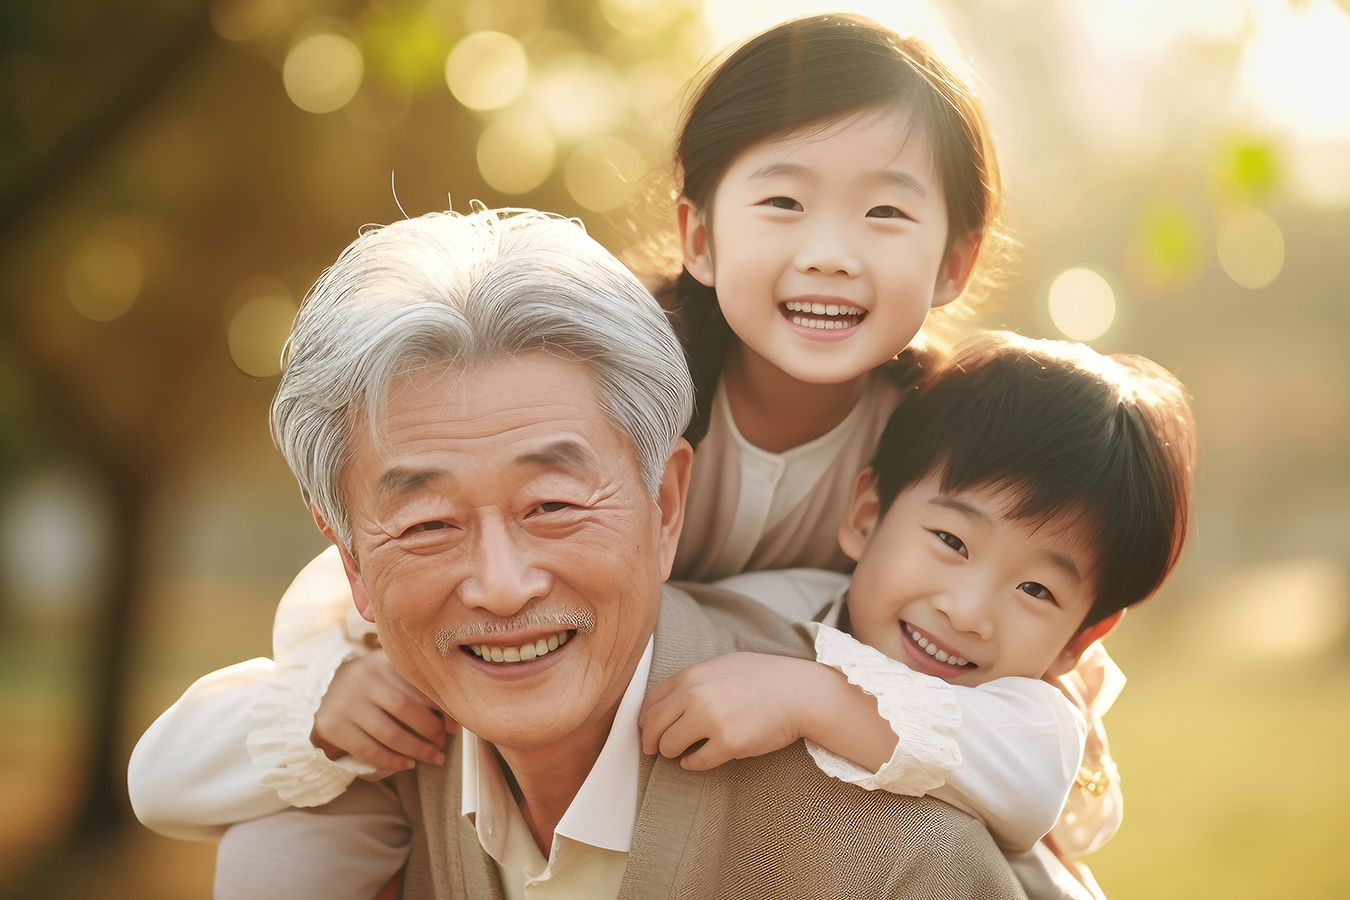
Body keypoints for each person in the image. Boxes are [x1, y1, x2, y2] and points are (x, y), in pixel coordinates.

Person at [131, 204, 1024, 899]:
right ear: (354, 565)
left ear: (666, 504)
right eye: (428, 523)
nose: (502, 584)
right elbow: (168, 775)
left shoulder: (892, 857)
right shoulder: (370, 801)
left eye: (552, 505)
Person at [639, 332, 1196, 900]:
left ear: (1080, 639)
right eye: (952, 540)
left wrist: (807, 697)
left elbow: (1032, 789)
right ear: (866, 515)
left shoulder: (1037, 721)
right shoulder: (784, 604)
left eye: (1035, 588)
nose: (967, 611)